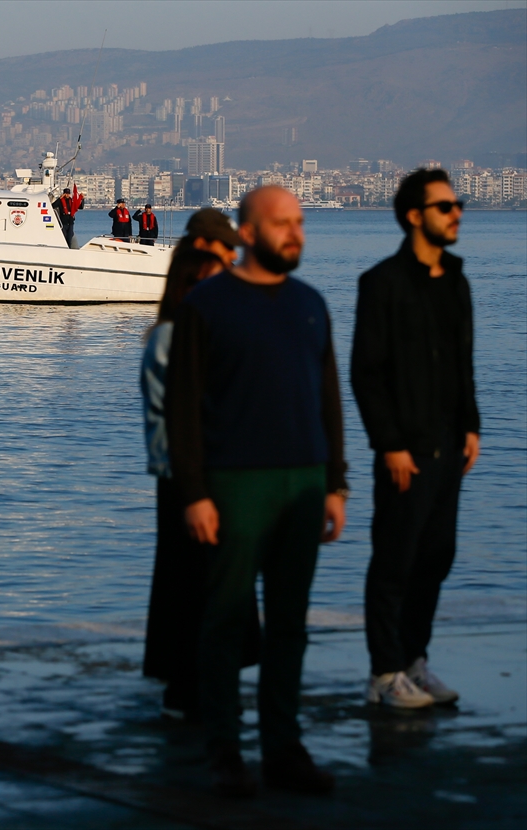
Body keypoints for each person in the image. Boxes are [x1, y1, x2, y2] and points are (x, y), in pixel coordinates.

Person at [166, 186, 346, 798]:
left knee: (290, 624)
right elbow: (183, 407)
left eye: (299, 222)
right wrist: (194, 492)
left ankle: (284, 749)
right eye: (282, 224)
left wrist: (337, 484)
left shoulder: (311, 304)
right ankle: (224, 752)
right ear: (247, 232)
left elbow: (328, 401)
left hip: (304, 480)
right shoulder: (208, 306)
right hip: (234, 484)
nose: (296, 233)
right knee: (224, 619)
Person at [351, 169, 479, 710]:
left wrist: (471, 426)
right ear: (414, 215)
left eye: (458, 204)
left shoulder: (456, 279)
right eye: (446, 206)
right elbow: (367, 372)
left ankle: (413, 661)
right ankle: (384, 673)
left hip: (449, 445)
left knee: (437, 557)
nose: (457, 214)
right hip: (403, 450)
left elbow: (462, 363)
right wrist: (390, 444)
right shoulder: (381, 283)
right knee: (394, 561)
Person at [142, 234, 259, 723]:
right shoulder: (173, 337)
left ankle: (198, 679)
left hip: (206, 474)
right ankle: (191, 684)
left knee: (202, 581)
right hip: (189, 479)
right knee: (193, 581)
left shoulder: (190, 331)